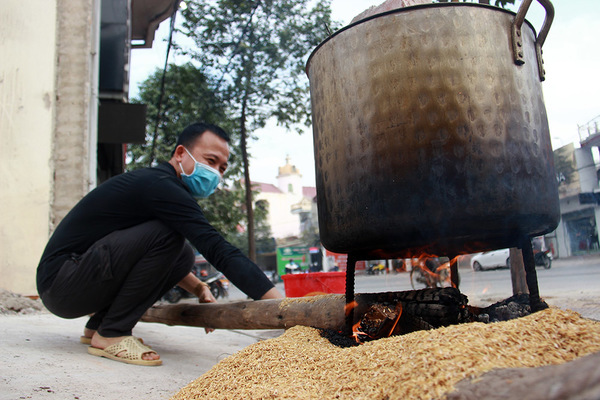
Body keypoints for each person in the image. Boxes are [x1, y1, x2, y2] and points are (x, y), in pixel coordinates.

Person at [36, 122, 283, 366]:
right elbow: (215, 247)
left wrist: (198, 288)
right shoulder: (161, 186)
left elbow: (151, 255)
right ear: (179, 154)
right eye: (210, 161)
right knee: (170, 236)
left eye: (222, 168)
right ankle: (111, 333)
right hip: (63, 282)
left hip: (65, 285)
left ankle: (98, 326)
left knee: (183, 253)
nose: (216, 173)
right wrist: (281, 306)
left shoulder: (160, 185)